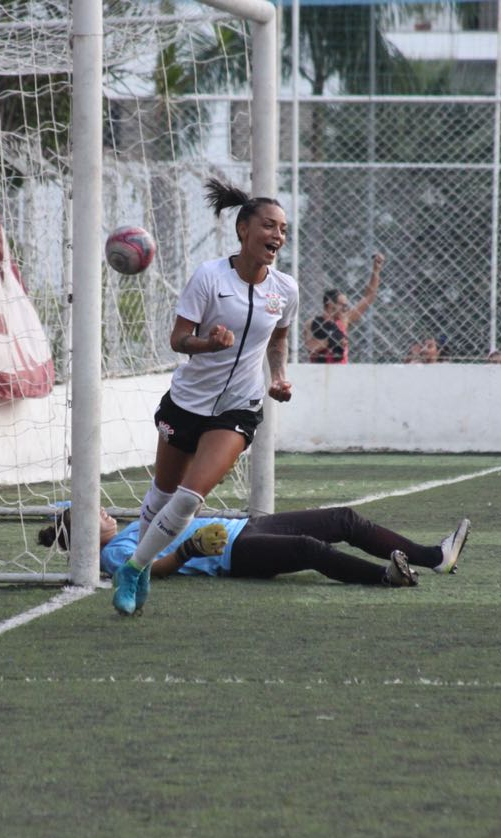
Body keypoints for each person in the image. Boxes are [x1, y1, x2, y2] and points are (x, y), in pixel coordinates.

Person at [109, 176, 298, 616]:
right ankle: (141, 561)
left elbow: (278, 339)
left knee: (190, 498)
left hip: (239, 408)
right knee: (162, 495)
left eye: (283, 229)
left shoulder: (284, 289)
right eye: (269, 226)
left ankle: (134, 569)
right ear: (243, 230)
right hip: (187, 403)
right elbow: (177, 339)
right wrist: (208, 344)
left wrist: (279, 376)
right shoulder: (209, 277)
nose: (278, 236)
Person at [38, 506, 471, 594]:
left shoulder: (128, 527)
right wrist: (190, 547)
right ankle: (385, 576)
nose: (102, 510)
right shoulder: (113, 556)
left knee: (345, 520)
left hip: (243, 527)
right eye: (91, 513)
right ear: (81, 538)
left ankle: (435, 557)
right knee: (308, 549)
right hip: (232, 553)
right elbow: (156, 570)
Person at [306, 252, 385, 364]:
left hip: (340, 371)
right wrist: (333, 340)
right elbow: (311, 347)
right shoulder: (313, 322)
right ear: (329, 304)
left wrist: (376, 270)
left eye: (346, 305)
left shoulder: (343, 320)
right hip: (319, 371)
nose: (345, 308)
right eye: (342, 304)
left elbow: (369, 296)